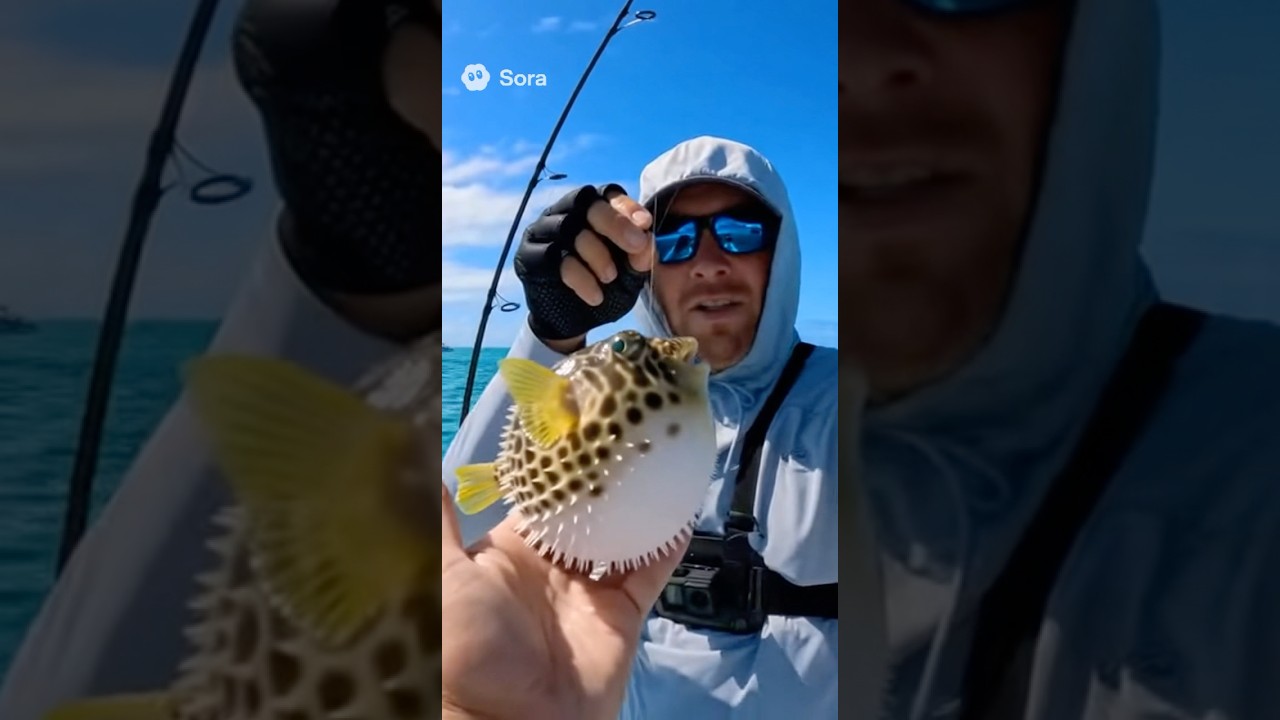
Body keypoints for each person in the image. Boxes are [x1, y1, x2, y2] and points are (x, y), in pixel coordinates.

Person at [442, 132, 844, 720]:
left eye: (740, 233)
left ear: (781, 253)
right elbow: (462, 550)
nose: (709, 264)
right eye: (676, 242)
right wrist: (551, 339)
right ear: (647, 268)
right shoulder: (591, 377)